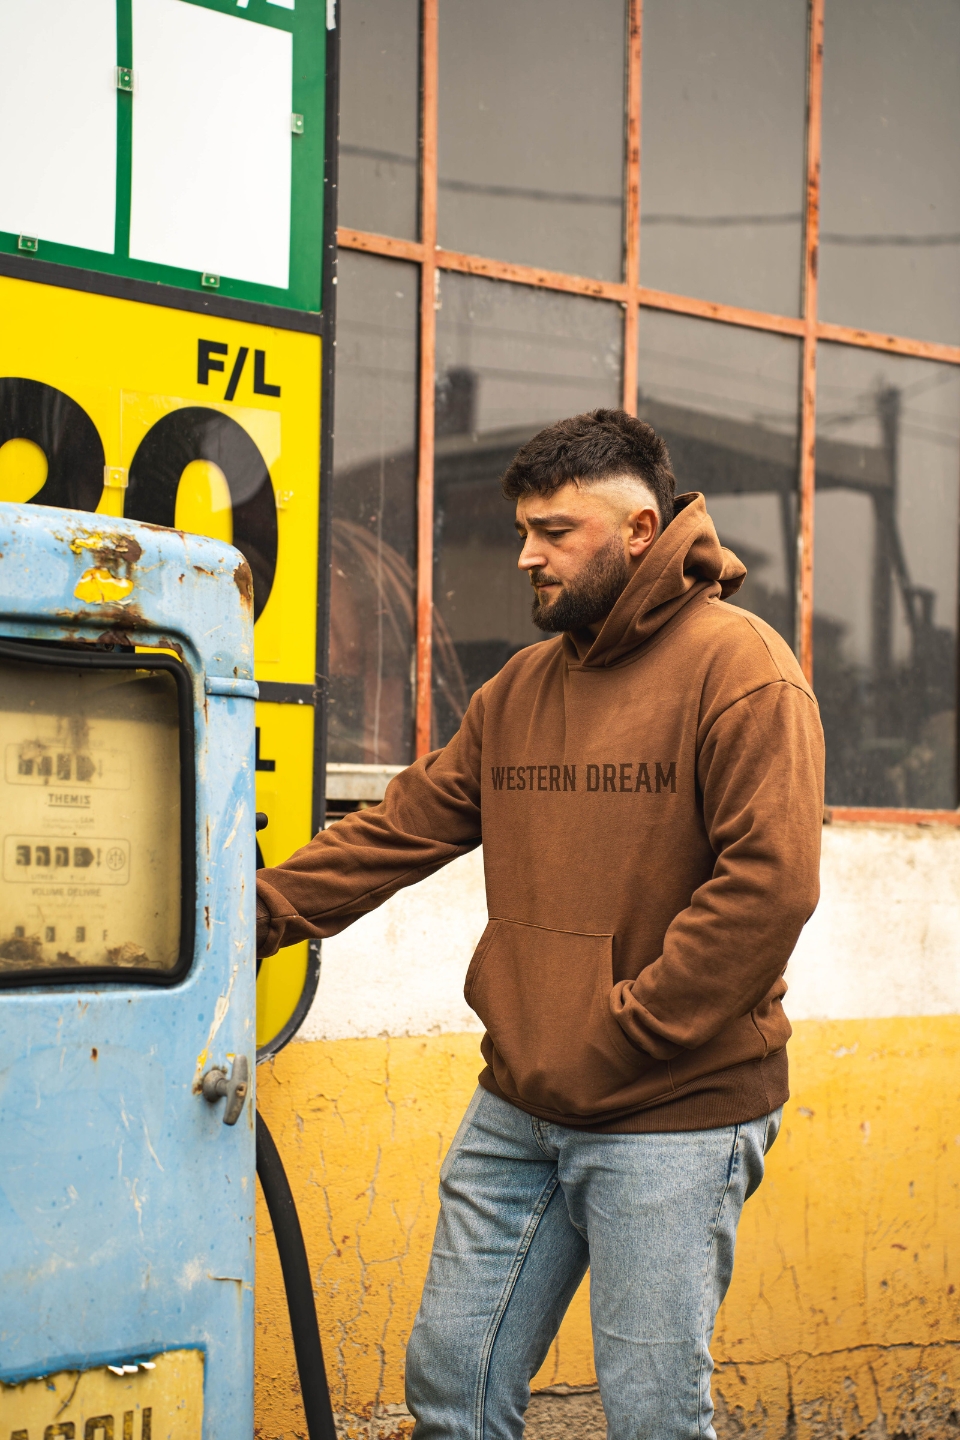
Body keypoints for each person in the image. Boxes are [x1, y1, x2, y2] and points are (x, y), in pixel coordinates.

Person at [256, 407, 825, 1440]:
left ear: (642, 530)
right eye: (525, 529)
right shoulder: (520, 689)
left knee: (653, 1413)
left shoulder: (741, 670)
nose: (528, 555)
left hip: (674, 1110)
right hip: (521, 1102)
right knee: (452, 1387)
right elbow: (401, 827)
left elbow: (770, 883)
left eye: (556, 531)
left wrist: (631, 1027)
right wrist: (250, 918)